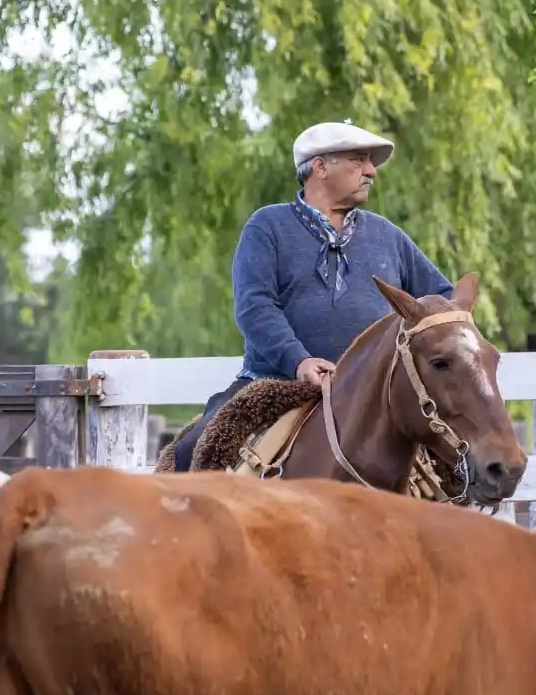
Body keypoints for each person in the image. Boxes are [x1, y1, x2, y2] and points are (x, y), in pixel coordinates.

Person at [170, 121, 454, 472]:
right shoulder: (267, 227)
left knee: (454, 465)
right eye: (359, 160)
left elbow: (443, 299)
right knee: (193, 451)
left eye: (370, 163)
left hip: (371, 394)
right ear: (320, 167)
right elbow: (254, 307)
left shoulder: (387, 235)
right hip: (275, 383)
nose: (370, 171)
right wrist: (299, 361)